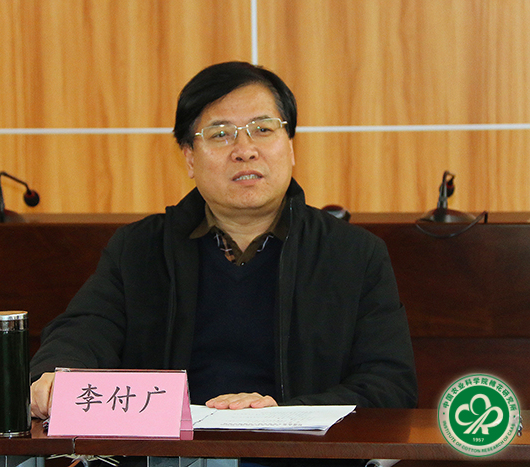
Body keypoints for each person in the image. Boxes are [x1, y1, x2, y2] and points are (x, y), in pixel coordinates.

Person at [30, 61, 417, 422]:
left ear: (290, 146)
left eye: (263, 129)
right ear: (189, 158)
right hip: (172, 456)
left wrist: (279, 414)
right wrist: (57, 373)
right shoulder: (139, 248)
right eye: (220, 135)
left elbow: (389, 385)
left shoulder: (354, 254)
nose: (245, 150)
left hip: (298, 455)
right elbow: (84, 330)